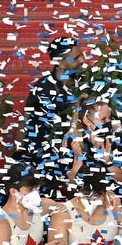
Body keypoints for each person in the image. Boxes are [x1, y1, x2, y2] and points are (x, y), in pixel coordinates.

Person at [22, 36, 83, 186]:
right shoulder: (43, 89)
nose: (82, 60)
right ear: (61, 63)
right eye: (76, 58)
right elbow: (25, 121)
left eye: (81, 55)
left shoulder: (86, 82)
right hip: (51, 164)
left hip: (80, 158)